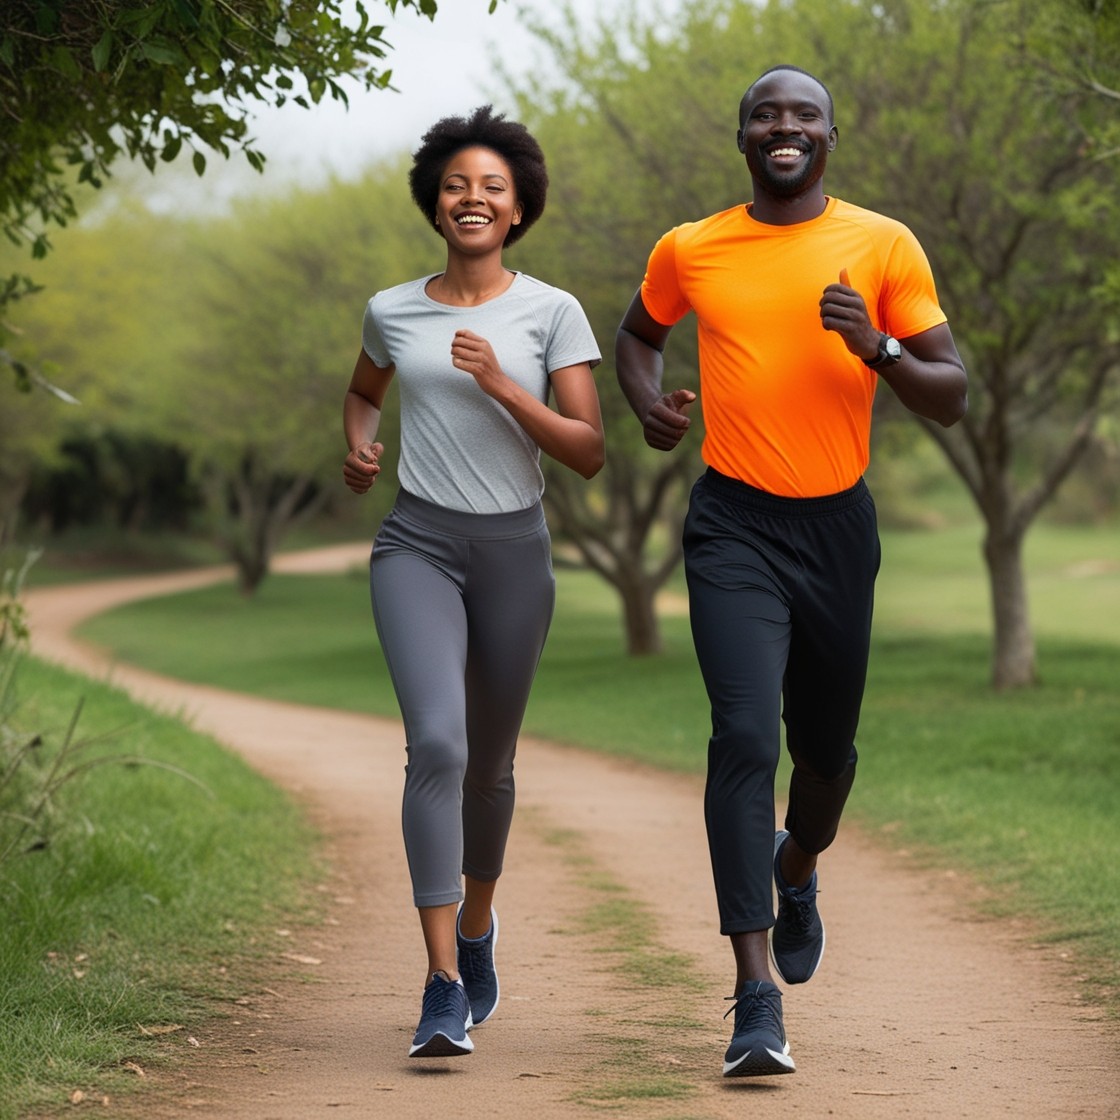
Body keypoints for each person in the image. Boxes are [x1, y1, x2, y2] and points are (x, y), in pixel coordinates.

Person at [615, 65, 967, 1078]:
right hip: (731, 521)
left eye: (802, 114)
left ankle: (797, 867)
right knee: (739, 734)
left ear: (829, 135)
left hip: (836, 532)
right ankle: (753, 995)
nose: (784, 126)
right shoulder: (692, 245)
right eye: (766, 114)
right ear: (741, 137)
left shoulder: (882, 243)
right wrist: (648, 405)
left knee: (824, 754)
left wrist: (881, 345)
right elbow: (639, 337)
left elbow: (951, 395)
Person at [342, 105, 604, 1059]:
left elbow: (587, 451)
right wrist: (361, 450)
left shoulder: (552, 312)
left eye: (492, 186)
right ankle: (443, 980)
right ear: (435, 203)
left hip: (513, 554)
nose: (473, 198)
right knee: (439, 747)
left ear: (520, 209)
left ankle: (480, 926)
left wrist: (502, 384)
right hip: (417, 543)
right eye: (457, 184)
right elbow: (365, 393)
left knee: (490, 767)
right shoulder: (391, 307)